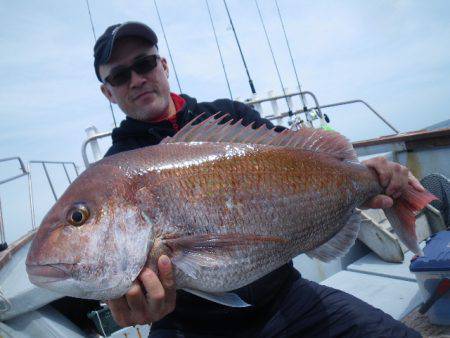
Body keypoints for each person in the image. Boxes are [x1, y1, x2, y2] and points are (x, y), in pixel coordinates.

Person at [94, 21, 423, 337]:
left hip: (285, 299)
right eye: (121, 75)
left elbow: (305, 168)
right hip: (190, 326)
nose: (136, 79)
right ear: (108, 92)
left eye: (145, 63)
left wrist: (364, 180)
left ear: (163, 65)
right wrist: (137, 306)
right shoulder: (112, 173)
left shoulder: (229, 116)